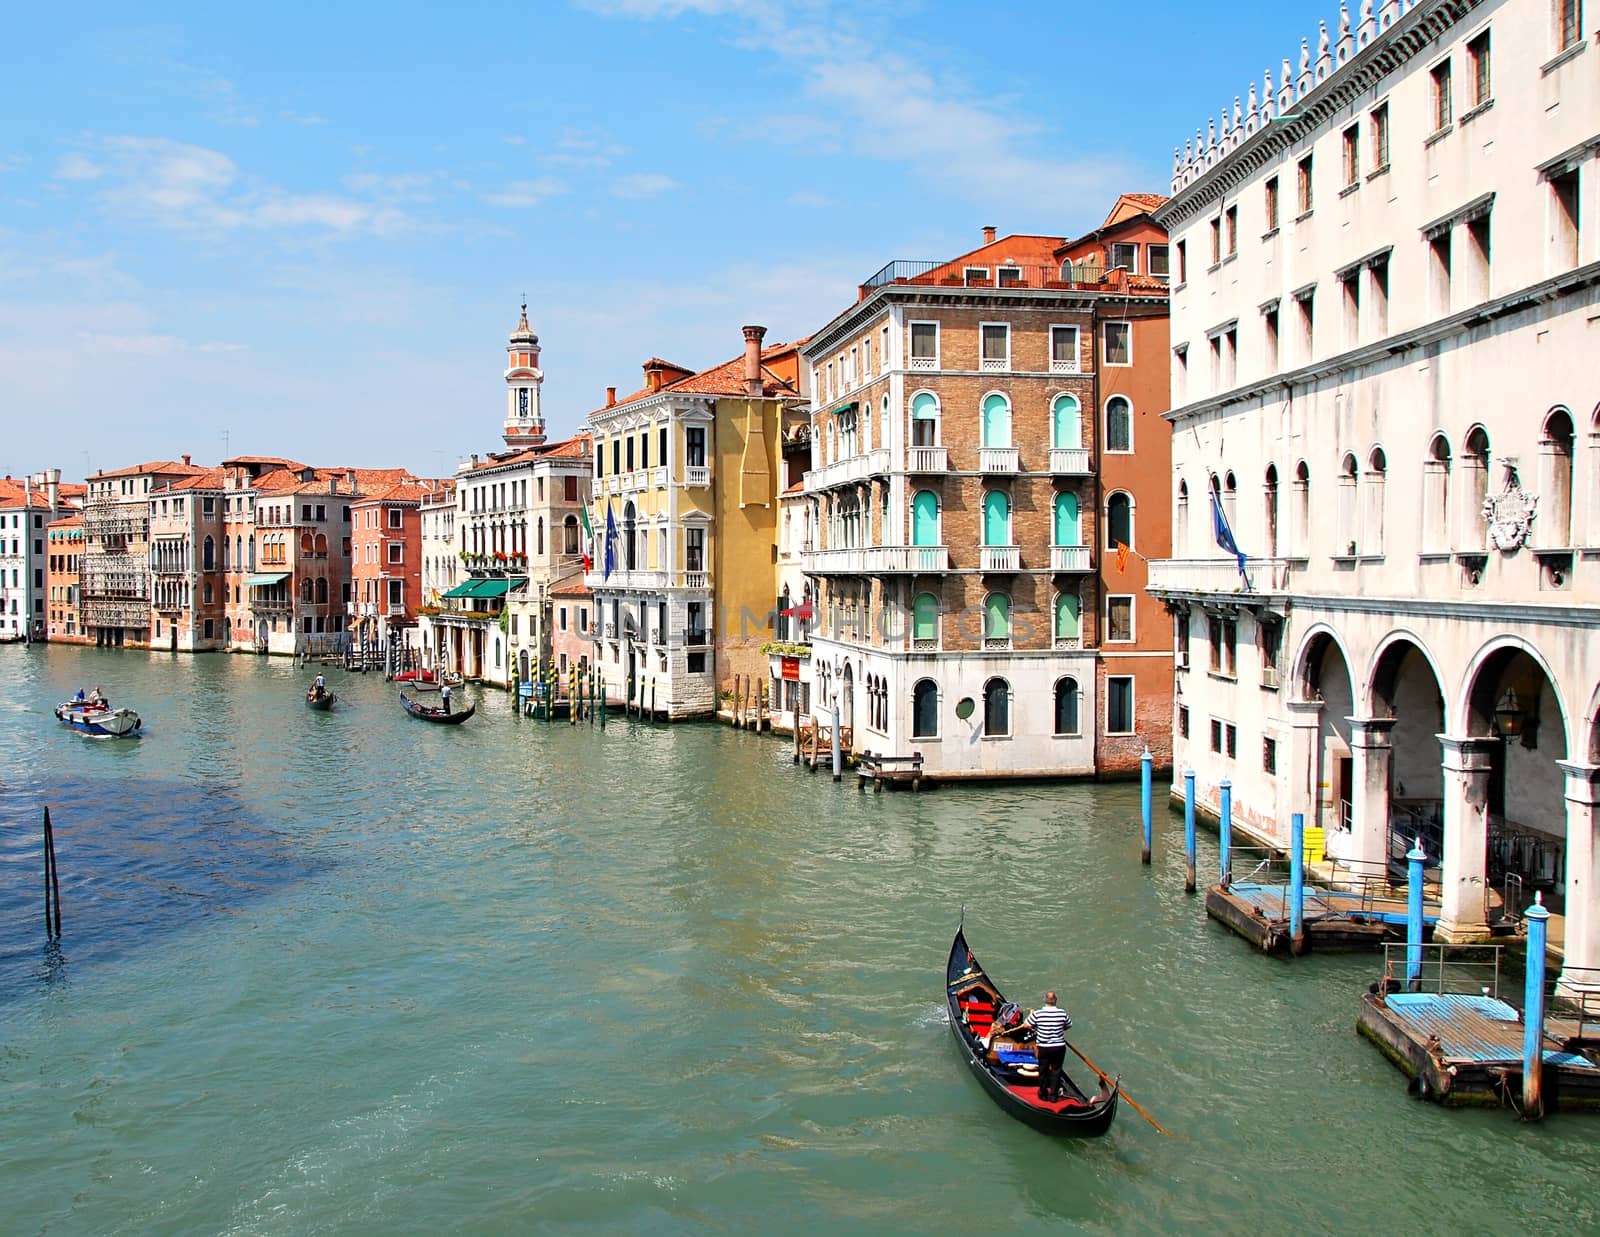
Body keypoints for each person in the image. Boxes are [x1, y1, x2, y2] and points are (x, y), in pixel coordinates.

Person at [1025, 991, 1072, 1101]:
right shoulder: (1062, 1013)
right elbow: (1068, 1025)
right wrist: (1060, 1029)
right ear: (1056, 1001)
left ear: (1045, 1000)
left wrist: (1037, 1028)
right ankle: (1053, 1096)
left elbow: (1027, 1025)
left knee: (1043, 1070)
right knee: (1056, 1070)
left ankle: (1043, 1094)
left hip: (1044, 1047)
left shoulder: (1038, 1013)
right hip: (1059, 1046)